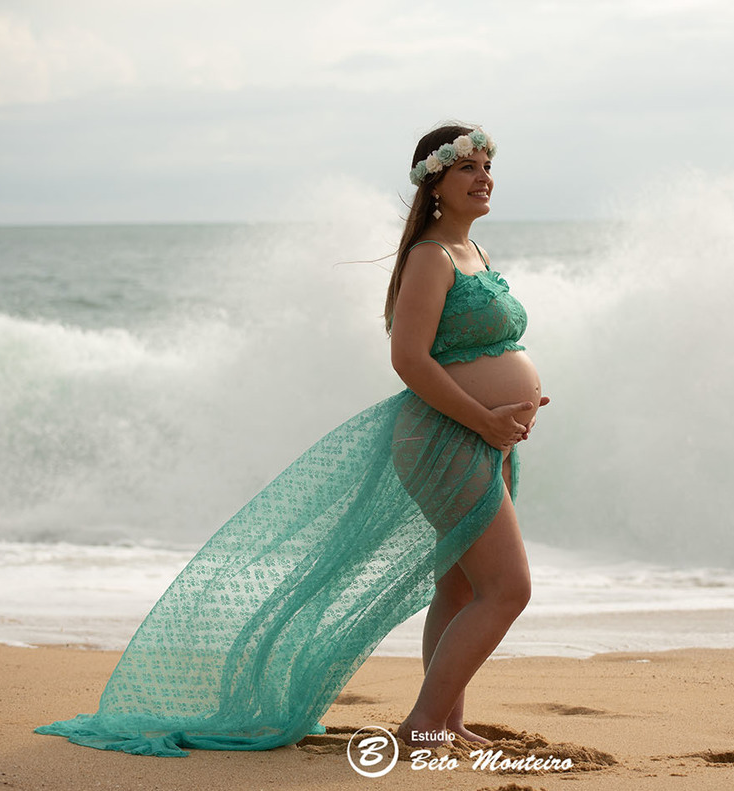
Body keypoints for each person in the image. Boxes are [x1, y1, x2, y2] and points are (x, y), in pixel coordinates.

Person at [35, 122, 545, 757]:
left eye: (488, 165)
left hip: (485, 438)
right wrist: (483, 414)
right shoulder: (429, 257)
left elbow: (474, 350)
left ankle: (442, 719)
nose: (484, 177)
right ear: (434, 183)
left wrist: (509, 403)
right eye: (468, 166)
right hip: (447, 438)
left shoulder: (476, 253)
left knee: (462, 586)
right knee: (508, 589)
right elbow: (409, 360)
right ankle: (422, 724)